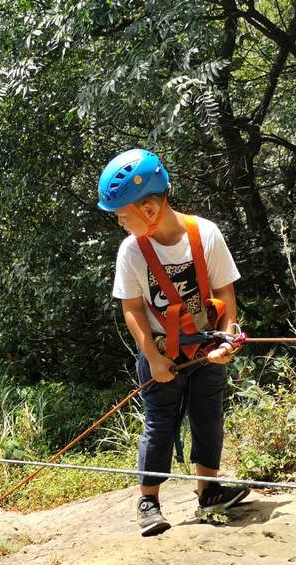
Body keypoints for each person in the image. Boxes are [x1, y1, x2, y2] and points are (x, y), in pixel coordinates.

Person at [98, 149, 249, 536]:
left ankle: (209, 491)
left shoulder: (205, 235)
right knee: (160, 420)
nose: (120, 223)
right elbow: (132, 308)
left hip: (205, 344)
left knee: (208, 413)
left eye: (122, 215)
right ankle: (149, 499)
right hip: (161, 350)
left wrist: (227, 340)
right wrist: (152, 356)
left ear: (149, 208)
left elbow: (225, 295)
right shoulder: (132, 251)